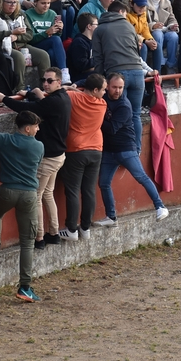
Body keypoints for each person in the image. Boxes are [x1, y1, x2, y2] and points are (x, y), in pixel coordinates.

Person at [0, 67, 71, 248]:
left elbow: (28, 108)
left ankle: (39, 238)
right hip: (58, 155)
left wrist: (3, 98)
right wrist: (32, 93)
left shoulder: (53, 102)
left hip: (48, 158)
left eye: (49, 81)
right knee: (47, 194)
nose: (45, 84)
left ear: (59, 82)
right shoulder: (63, 98)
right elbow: (40, 104)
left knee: (37, 196)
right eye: (43, 80)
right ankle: (53, 233)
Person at [0, 109, 45, 302]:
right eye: (36, 126)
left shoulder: (5, 140)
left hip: (6, 191)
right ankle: (24, 286)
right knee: (27, 242)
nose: (38, 129)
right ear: (28, 128)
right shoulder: (39, 146)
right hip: (29, 195)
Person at [94, 72, 169, 227]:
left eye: (121, 87)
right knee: (104, 183)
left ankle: (160, 206)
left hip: (126, 149)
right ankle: (111, 217)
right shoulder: (104, 98)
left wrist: (95, 119)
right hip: (109, 151)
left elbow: (112, 128)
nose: (118, 91)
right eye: (114, 87)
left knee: (141, 177)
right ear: (107, 86)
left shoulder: (124, 105)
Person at [92, 0, 154, 153]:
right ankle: (136, 150)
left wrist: (98, 80)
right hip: (137, 73)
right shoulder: (129, 25)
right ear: (120, 12)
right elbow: (137, 51)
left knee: (118, 113)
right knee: (135, 114)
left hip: (117, 74)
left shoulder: (99, 29)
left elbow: (98, 58)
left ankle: (121, 151)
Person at [58, 73, 108, 241]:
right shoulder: (102, 104)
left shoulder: (73, 97)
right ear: (95, 90)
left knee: (72, 190)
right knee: (89, 190)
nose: (104, 93)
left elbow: (60, 92)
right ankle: (85, 228)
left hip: (76, 149)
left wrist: (69, 88)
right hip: (96, 149)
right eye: (103, 90)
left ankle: (71, 229)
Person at [146, 0, 181, 74]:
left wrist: (172, 25)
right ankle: (160, 65)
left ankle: (171, 65)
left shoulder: (167, 2)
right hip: (149, 34)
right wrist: (153, 25)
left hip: (164, 30)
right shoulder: (144, 1)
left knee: (173, 36)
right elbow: (142, 22)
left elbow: (171, 18)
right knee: (157, 33)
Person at [67, 12, 97, 82]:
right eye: (97, 24)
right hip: (78, 77)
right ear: (89, 26)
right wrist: (99, 60)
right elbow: (82, 66)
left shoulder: (94, 41)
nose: (98, 27)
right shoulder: (79, 42)